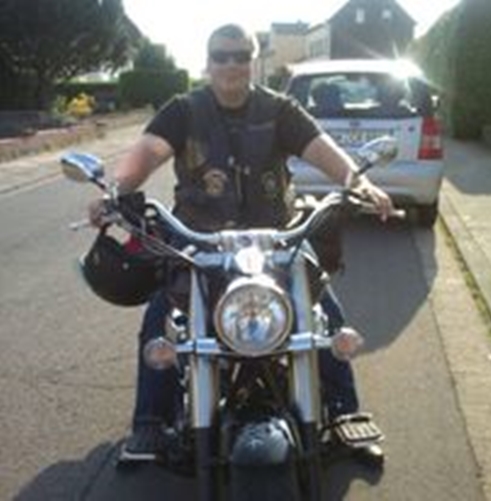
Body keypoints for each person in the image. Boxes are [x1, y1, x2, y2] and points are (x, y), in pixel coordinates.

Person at [89, 23, 393, 466]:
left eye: (240, 56)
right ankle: (149, 422)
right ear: (207, 62)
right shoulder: (183, 111)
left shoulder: (280, 110)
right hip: (199, 240)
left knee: (323, 309)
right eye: (221, 56)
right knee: (161, 314)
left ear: (253, 61)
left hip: (276, 240)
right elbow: (148, 152)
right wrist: (114, 192)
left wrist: (359, 184)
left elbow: (322, 150)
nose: (230, 64)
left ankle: (346, 410)